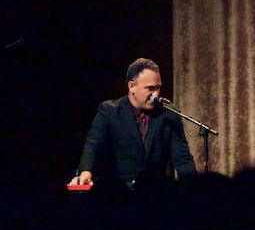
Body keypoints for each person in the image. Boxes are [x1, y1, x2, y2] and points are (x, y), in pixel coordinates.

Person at [68, 58, 197, 187]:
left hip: (157, 194)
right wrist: (85, 173)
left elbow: (182, 158)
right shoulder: (109, 111)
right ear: (132, 86)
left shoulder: (168, 114)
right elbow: (93, 145)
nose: (156, 94)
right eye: (150, 88)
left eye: (158, 88)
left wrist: (193, 187)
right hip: (120, 192)